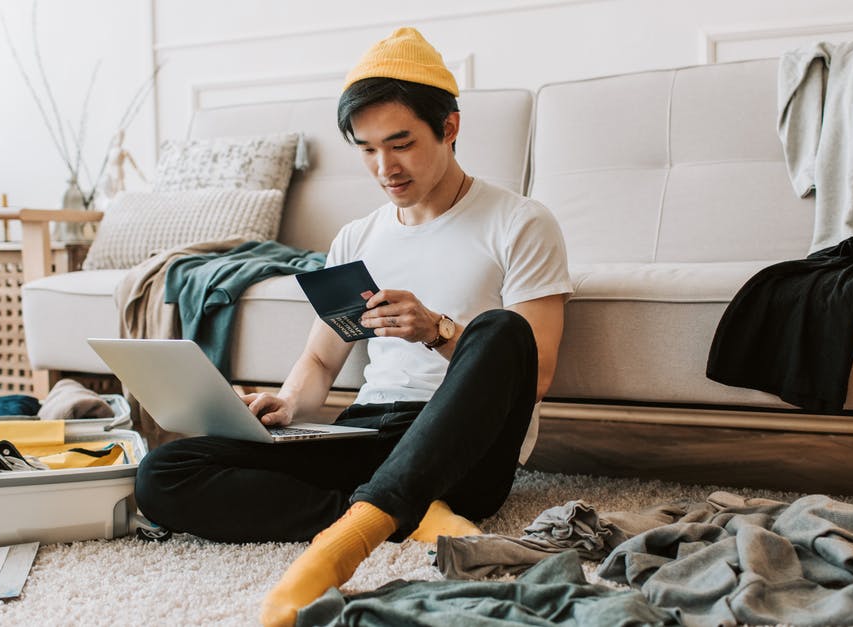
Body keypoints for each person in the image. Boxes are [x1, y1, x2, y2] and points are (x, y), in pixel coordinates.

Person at [133, 27, 571, 626]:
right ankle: (403, 515)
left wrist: (438, 330)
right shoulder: (356, 239)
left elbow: (535, 369)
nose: (384, 166)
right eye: (366, 149)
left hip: (466, 450)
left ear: (449, 127)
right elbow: (320, 363)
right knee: (163, 474)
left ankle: (349, 539)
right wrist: (285, 406)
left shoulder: (519, 222)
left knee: (499, 329)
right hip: (367, 436)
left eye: (401, 143)